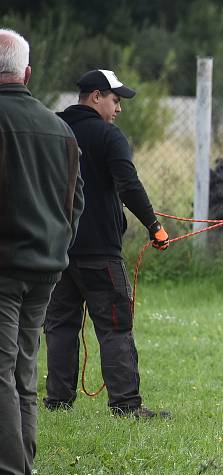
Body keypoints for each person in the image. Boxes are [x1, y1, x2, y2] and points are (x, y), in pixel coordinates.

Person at [43, 68, 171, 420]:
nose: (119, 110)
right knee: (115, 326)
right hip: (100, 253)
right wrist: (154, 226)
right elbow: (128, 185)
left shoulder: (52, 127)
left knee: (60, 325)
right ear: (96, 96)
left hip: (55, 250)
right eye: (115, 100)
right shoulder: (108, 136)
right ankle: (126, 406)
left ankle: (57, 403)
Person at [0, 28, 83, 475]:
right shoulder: (61, 128)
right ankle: (23, 468)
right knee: (24, 375)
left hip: (6, 268)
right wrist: (59, 246)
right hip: (47, 268)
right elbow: (77, 201)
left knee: (2, 373)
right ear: (27, 72)